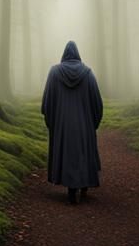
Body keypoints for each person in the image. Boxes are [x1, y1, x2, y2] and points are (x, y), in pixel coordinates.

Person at [41, 40, 103, 204]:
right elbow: (97, 103)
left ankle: (70, 191)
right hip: (84, 125)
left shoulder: (54, 73)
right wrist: (93, 124)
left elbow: (47, 102)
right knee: (83, 153)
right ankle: (83, 187)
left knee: (67, 154)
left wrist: (52, 122)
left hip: (62, 126)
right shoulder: (88, 73)